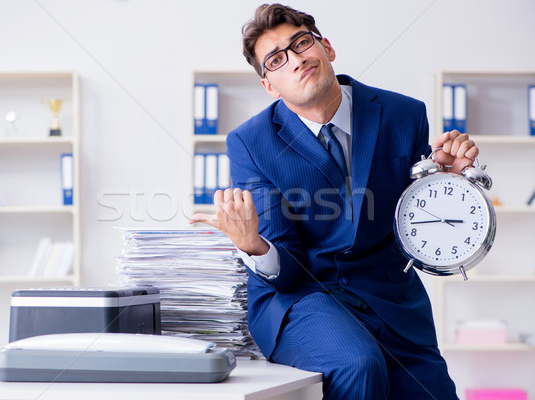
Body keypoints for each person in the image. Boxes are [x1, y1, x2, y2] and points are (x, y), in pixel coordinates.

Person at [191, 4, 477, 399]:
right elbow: (287, 267)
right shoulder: (251, 142)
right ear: (270, 86)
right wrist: (253, 245)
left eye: (301, 43)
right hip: (304, 297)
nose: (295, 60)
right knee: (358, 364)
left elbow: (420, 227)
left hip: (389, 297)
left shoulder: (403, 114)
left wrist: (450, 182)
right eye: (276, 59)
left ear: (326, 48)